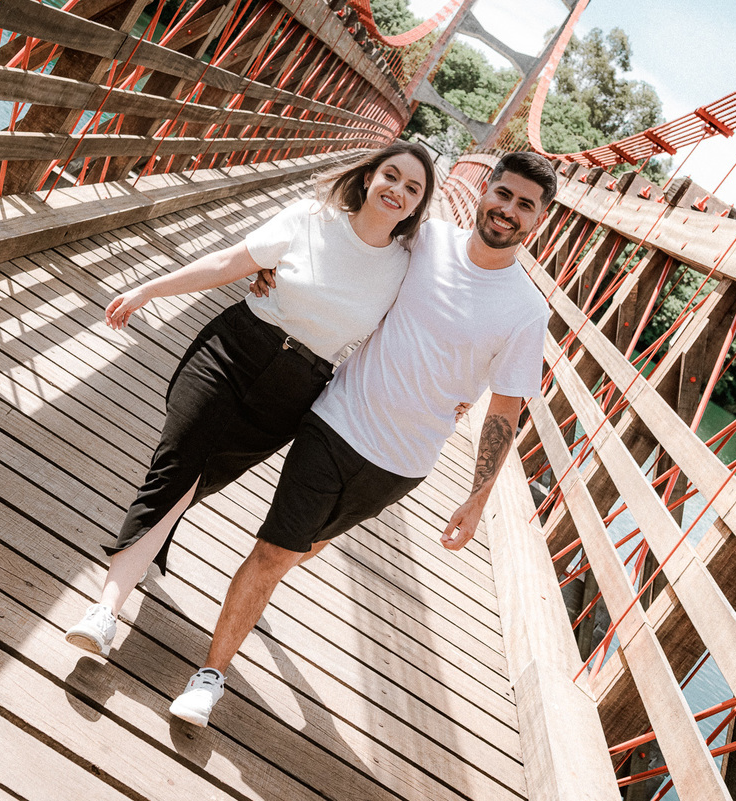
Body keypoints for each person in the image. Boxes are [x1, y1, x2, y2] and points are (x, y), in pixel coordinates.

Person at [167, 152, 555, 727]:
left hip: (402, 465)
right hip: (336, 419)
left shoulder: (527, 310)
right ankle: (210, 676)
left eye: (526, 204)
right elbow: (348, 244)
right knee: (274, 550)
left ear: (541, 219)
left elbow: (504, 406)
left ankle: (228, 583)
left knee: (297, 552)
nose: (509, 211)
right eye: (503, 194)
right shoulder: (425, 241)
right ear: (484, 191)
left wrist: (477, 498)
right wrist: (280, 269)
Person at [64, 142, 436, 659]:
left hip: (294, 391)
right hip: (232, 350)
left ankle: (147, 547)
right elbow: (230, 260)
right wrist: (149, 290)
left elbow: (441, 318)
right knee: (175, 471)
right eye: (390, 176)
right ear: (369, 176)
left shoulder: (408, 268)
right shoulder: (312, 218)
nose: (398, 190)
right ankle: (104, 611)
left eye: (412, 187)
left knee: (200, 481)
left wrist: (457, 391)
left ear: (420, 205)